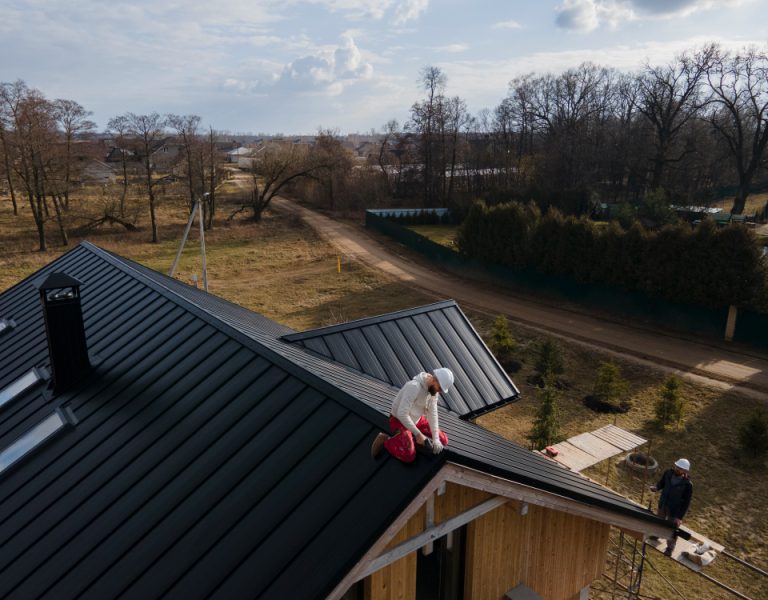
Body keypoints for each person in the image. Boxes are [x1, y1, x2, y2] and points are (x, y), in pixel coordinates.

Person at [370, 368, 453, 463]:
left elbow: (433, 414)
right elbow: (402, 414)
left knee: (444, 440)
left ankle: (413, 436)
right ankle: (385, 440)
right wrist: (419, 434)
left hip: (417, 419)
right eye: (440, 388)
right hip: (399, 420)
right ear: (434, 379)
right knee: (408, 455)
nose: (440, 391)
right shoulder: (414, 387)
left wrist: (436, 439)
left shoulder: (433, 392)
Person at [650, 458, 693, 556]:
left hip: (675, 510)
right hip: (664, 503)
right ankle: (656, 535)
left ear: (685, 471)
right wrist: (656, 487)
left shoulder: (688, 485)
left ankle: (670, 548)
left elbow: (686, 503)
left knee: (672, 529)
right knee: (659, 521)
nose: (677, 469)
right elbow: (662, 483)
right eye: (677, 466)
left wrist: (679, 517)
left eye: (680, 468)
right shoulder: (668, 473)